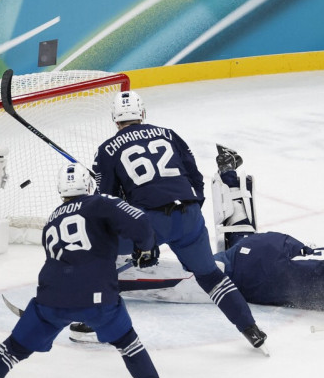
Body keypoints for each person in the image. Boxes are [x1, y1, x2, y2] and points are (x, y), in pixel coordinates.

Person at [71, 146, 324, 339]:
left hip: (256, 250)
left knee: (237, 236)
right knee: (177, 281)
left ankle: (229, 175)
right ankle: (96, 287)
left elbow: (272, 256)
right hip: (243, 266)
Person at [0, 163, 168, 378]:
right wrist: (146, 249)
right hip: (98, 299)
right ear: (88, 185)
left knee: (11, 350)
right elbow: (140, 222)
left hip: (51, 301)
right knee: (127, 342)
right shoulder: (100, 203)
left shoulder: (53, 220)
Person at [91, 91, 268, 352]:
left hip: (149, 221)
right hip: (189, 216)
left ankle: (91, 317)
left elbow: (106, 202)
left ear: (115, 119)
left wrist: (142, 239)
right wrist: (190, 213)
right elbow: (195, 178)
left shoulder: (107, 149)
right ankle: (250, 329)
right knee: (210, 277)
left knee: (95, 249)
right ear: (142, 113)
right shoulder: (169, 134)